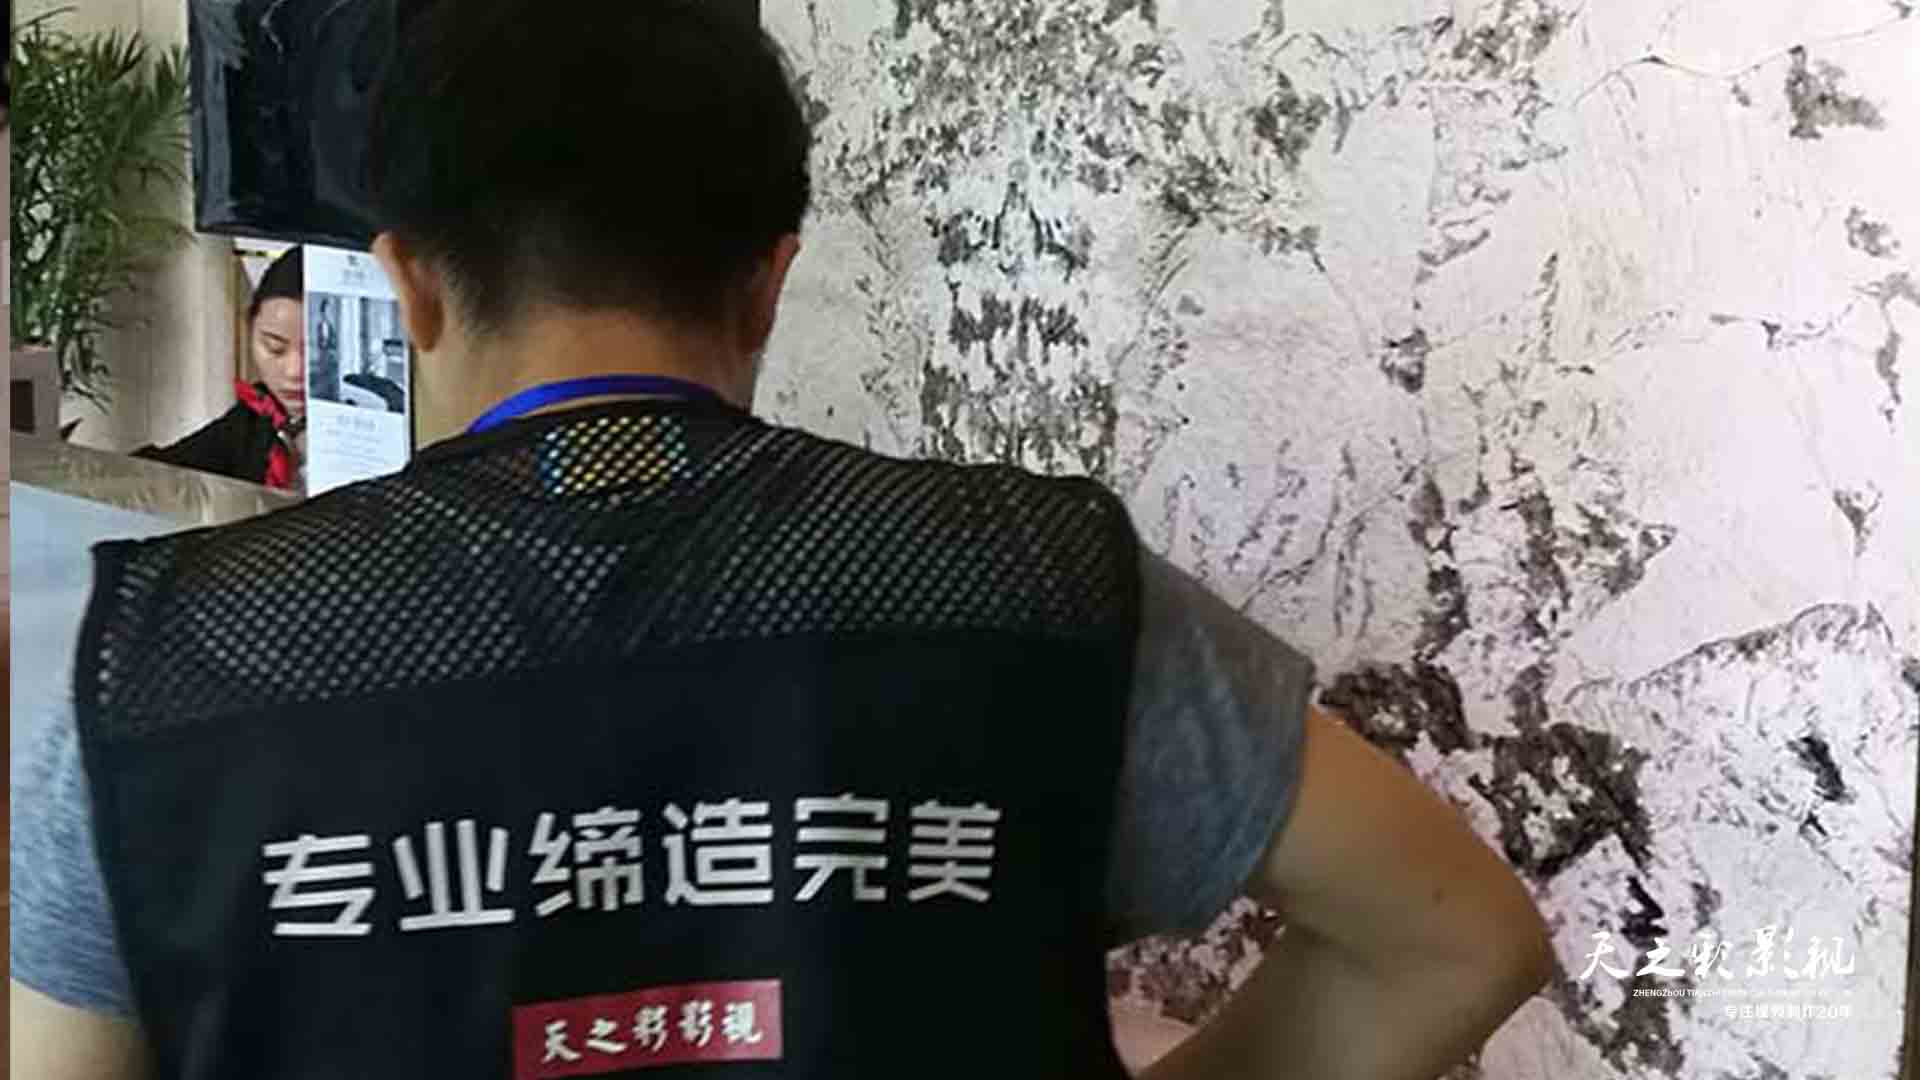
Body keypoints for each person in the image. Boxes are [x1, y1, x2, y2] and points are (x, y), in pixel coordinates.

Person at [7, 2, 1554, 1077]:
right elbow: (1454, 941)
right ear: (769, 278)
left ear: (407, 283)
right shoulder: (1034, 590)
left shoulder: (165, 661)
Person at [133, 246, 307, 492]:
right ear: (249, 327)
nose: (294, 371)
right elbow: (164, 470)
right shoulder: (256, 417)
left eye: (314, 356)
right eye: (274, 348)